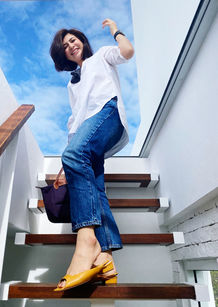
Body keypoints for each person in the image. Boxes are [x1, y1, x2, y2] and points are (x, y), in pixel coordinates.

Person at [50, 18, 134, 291]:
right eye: (65, 46)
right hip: (87, 129)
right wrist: (67, 161)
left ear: (82, 41)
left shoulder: (101, 56)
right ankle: (106, 258)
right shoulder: (72, 84)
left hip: (108, 113)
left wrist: (114, 29)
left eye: (73, 40)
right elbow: (75, 121)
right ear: (62, 55)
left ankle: (87, 240)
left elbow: (127, 52)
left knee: (75, 157)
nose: (70, 45)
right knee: (96, 188)